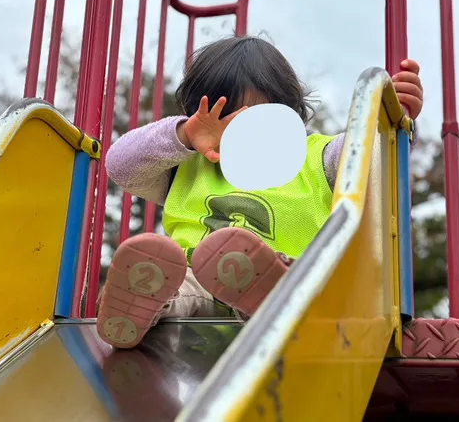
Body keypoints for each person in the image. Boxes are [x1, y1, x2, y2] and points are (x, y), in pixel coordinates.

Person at [96, 36, 424, 348]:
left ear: (289, 114)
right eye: (223, 120)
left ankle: (270, 297)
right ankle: (141, 304)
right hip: (199, 287)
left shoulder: (319, 156)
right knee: (178, 286)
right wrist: (184, 134)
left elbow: (373, 160)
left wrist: (391, 117)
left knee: (289, 275)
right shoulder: (185, 165)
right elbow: (121, 166)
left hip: (292, 286)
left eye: (259, 120)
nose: (242, 133)